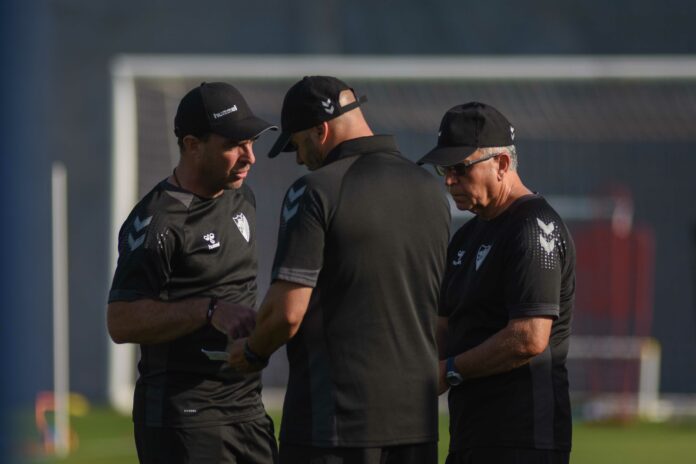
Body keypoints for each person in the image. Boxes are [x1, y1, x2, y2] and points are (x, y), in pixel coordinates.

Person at [227, 76, 451, 464]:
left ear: (321, 129)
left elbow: (286, 312)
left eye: (298, 145)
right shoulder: (431, 189)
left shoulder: (315, 190)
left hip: (333, 427)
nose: (299, 159)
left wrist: (250, 352)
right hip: (417, 425)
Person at [107, 82, 279, 464]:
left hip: (247, 409)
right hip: (184, 419)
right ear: (192, 145)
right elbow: (120, 322)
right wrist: (208, 310)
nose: (249, 156)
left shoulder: (241, 196)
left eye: (251, 142)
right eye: (234, 144)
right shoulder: (157, 223)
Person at [417, 102, 575, 464]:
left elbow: (529, 337)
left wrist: (450, 370)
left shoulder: (534, 228)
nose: (449, 180)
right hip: (471, 435)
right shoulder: (465, 237)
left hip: (523, 439)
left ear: (502, 164)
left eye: (460, 167)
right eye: (444, 168)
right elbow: (443, 329)